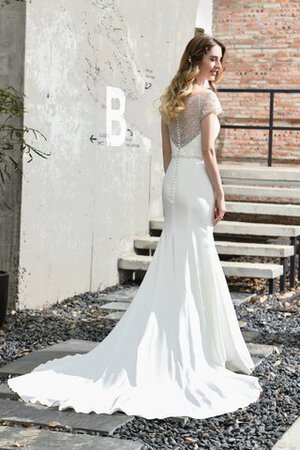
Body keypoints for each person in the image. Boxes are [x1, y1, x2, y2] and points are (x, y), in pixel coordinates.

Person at [7, 33, 263, 420]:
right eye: (212, 57)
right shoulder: (208, 98)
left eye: (220, 59)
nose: (217, 65)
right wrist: (221, 194)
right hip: (194, 181)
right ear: (196, 58)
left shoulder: (172, 97)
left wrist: (172, 184)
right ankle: (202, 348)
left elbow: (166, 153)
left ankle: (190, 336)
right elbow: (209, 151)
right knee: (195, 256)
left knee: (180, 256)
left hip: (174, 179)